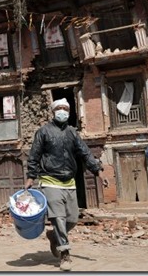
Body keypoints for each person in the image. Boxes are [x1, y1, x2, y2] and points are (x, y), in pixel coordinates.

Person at [25, 98, 109, 272]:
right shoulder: (43, 132)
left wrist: (98, 172)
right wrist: (30, 177)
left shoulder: (72, 132)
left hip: (69, 182)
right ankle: (65, 254)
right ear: (53, 111)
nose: (62, 111)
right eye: (59, 108)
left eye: (65, 109)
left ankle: (53, 235)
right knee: (58, 218)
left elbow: (85, 153)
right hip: (49, 180)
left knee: (72, 219)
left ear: (69, 112)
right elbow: (34, 155)